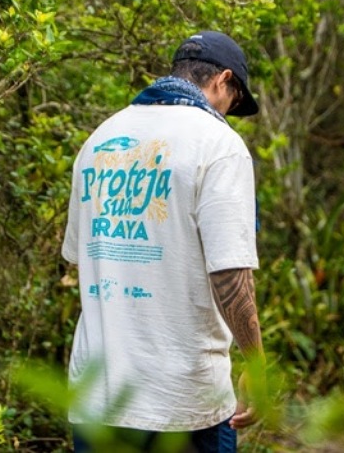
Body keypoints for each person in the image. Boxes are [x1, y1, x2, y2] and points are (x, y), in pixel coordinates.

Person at [61, 30, 266, 452]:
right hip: (184, 401)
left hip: (97, 395)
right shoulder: (218, 144)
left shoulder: (100, 139)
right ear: (223, 80)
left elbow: (82, 256)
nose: (228, 113)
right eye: (233, 101)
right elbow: (229, 273)